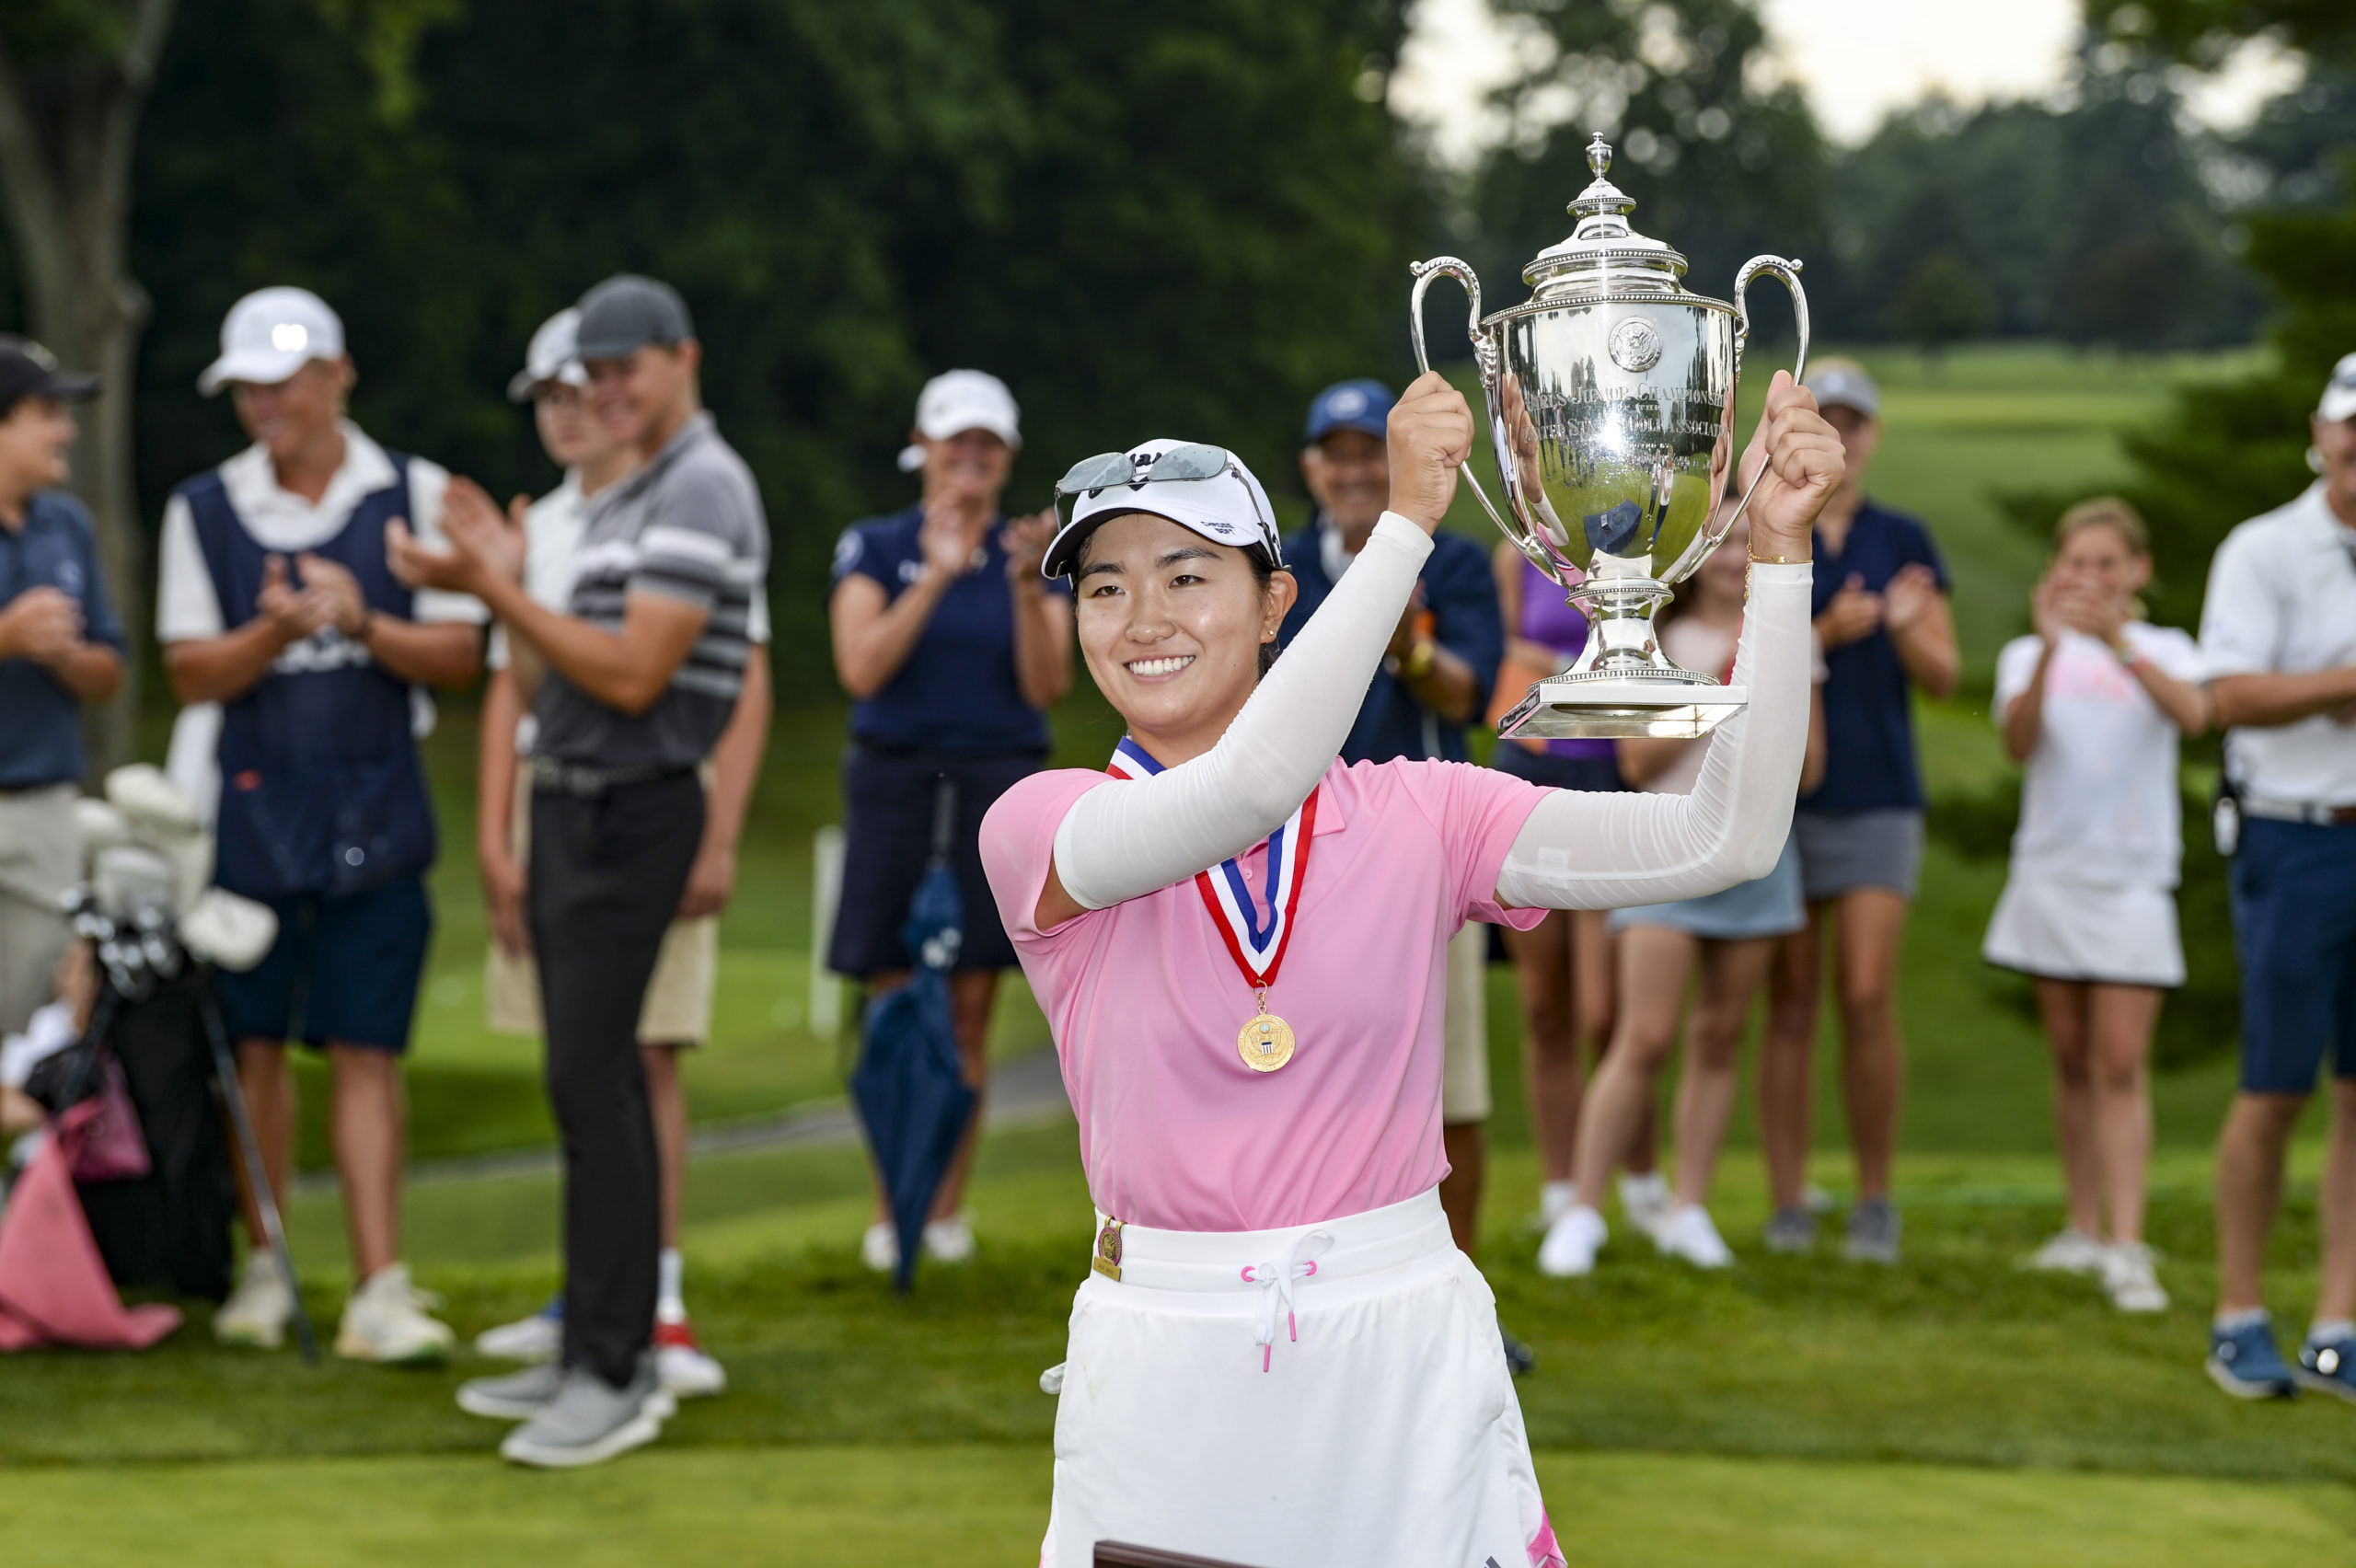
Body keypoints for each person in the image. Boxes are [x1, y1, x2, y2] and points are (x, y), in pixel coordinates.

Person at [979, 370, 1838, 1565]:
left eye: (1187, 578)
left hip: (1405, 1343)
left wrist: (1783, 562)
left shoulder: (1422, 812)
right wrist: (1403, 529)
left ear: (1277, 601)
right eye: (1105, 588)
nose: (1142, 620)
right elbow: (1248, 790)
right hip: (1168, 1350)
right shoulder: (1042, 823)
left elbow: (1722, 838)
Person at [398, 273, 769, 1466]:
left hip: (633, 810)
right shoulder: (632, 494)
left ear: (681, 358)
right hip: (575, 805)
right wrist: (514, 578)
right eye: (593, 374)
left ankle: (619, 1369)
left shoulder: (704, 484)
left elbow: (628, 675)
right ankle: (588, 1346)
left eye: (626, 370)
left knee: (597, 1083)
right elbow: (559, 662)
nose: (608, 391)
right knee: (582, 1085)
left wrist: (495, 586)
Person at [156, 287, 484, 1361]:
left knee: (365, 1049)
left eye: (284, 381)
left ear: (338, 375)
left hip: (377, 810)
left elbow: (457, 653)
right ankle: (268, 1266)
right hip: (250, 818)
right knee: (254, 1048)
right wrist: (273, 629)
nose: (265, 404)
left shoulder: (415, 492)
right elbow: (191, 670)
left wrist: (362, 616)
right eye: (248, 386)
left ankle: (379, 1285)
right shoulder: (202, 507)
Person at [1276, 379, 1524, 1359]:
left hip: (1422, 862)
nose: (1349, 471)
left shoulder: (1451, 561)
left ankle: (1456, 1310)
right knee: (1308, 1089)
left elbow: (1468, 690)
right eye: (1333, 454)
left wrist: (1408, 651)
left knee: (1450, 1090)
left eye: (1365, 453)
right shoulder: (1278, 565)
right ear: (1308, 468)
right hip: (1294, 861)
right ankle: (1325, 1296)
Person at [826, 370, 1070, 1270]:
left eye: (987, 444)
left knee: (969, 1006)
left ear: (1005, 457)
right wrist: (930, 578)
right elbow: (861, 667)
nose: (970, 458)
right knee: (892, 999)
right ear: (922, 448)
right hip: (895, 785)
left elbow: (1047, 685)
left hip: (994, 787)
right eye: (954, 441)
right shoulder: (876, 545)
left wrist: (1015, 582)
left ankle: (943, 1211)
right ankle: (895, 1200)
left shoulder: (1032, 555)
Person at [1545, 518, 1828, 1274]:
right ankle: (1580, 1212)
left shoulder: (1793, 637)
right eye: (1726, 543)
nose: (1737, 558)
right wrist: (1724, 691)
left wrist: (1756, 691)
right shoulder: (1656, 640)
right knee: (1644, 1038)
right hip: (1663, 847)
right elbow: (1636, 761)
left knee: (1718, 1039)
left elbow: (1809, 770)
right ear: (1702, 556)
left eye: (1747, 545)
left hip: (1756, 857)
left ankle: (1690, 1209)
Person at [1757, 358, 1957, 1263]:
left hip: (1878, 791)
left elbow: (1947, 678)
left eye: (1853, 421)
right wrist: (1821, 634)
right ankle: (1789, 1199)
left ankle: (1875, 1198)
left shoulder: (1902, 535)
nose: (1841, 434)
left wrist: (1905, 623)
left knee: (1866, 995)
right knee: (1790, 1001)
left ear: (1869, 436)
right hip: (1784, 796)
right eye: (1823, 418)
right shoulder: (1765, 524)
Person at [1984, 499, 2205, 1314]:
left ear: (2137, 572)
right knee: (2073, 1062)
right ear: (2055, 571)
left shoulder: (2165, 649)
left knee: (2120, 1065)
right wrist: (2050, 648)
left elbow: (2195, 715)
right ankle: (2084, 1228)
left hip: (2134, 880)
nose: (2090, 578)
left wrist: (2117, 643)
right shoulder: (2027, 654)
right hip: (2052, 874)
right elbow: (2018, 741)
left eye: (2107, 564)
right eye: (2077, 564)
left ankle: (2127, 1243)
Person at [2193, 352, 2356, 1402]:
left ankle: (2339, 1326)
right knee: (2273, 1088)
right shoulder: (2265, 547)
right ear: (2322, 431)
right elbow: (2228, 695)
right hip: (2293, 841)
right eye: (2352, 430)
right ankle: (2238, 1315)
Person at [1495, 537, 1669, 1259]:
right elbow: (1507, 660)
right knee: (1544, 1009)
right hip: (1528, 782)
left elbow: (1649, 671)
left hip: (1610, 786)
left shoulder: (1646, 557)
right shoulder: (1517, 556)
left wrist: (1552, 670)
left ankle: (1641, 1183)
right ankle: (1562, 1191)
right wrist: (1569, 671)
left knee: (1605, 1015)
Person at [0, 337, 120, 1036]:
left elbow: (109, 672)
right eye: (47, 412)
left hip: (46, 813)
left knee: (37, 1044)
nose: (66, 431)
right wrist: (9, 638)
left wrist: (66, 655)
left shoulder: (67, 524)